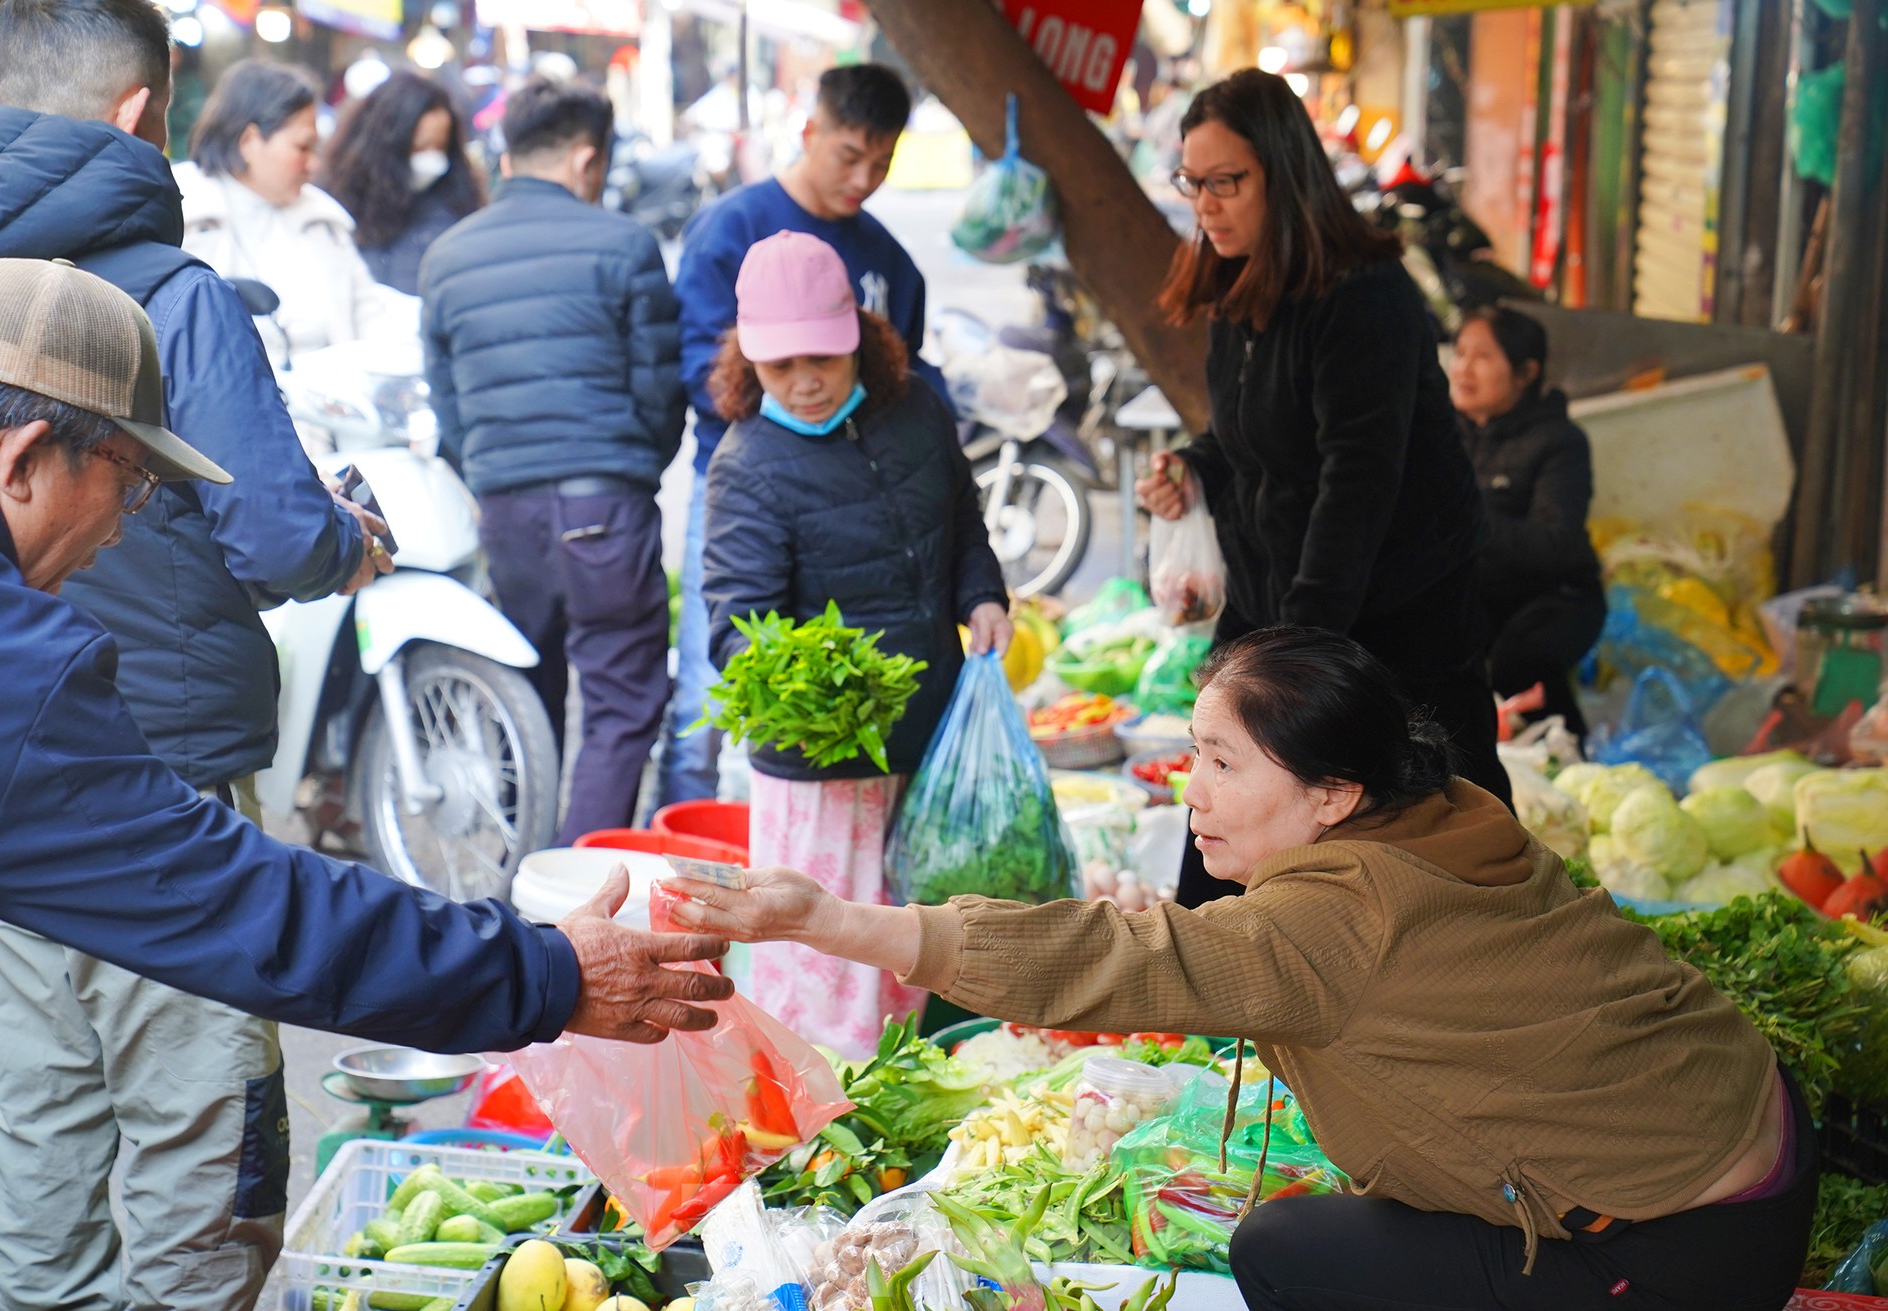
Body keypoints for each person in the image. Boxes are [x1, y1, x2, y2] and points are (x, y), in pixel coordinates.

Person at [0, 258, 734, 1304]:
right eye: (126, 482)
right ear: (27, 457)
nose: (121, 526)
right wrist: (550, 975)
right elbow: (257, 911)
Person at [664, 625, 1816, 1311]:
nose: (1188, 790)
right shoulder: (1443, 808)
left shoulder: (1326, 925)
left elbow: (1115, 959)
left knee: (1285, 1248)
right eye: (1191, 754)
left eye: (1220, 762)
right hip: (1755, 1127)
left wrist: (832, 918)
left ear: (1330, 794)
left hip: (1687, 1250)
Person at [0, 4, 389, 1304]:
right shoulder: (167, 294)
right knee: (202, 1144)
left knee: (39, 1135)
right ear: (143, 111)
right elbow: (278, 528)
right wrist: (350, 543)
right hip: (155, 771)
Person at [1132, 70, 1508, 907]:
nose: (1206, 204)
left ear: (1284, 171)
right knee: (1227, 834)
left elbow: (1357, 480)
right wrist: (1194, 468)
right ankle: (1214, 1007)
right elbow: (1251, 439)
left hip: (1393, 623)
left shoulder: (1364, 300)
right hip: (1283, 609)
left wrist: (1293, 658)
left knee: (1433, 847)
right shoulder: (1237, 285)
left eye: (1226, 182)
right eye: (1193, 183)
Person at [700, 231, 1008, 1057]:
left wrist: (981, 593)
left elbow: (964, 520)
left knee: (927, 947)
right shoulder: (747, 465)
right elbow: (735, 634)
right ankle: (831, 1141)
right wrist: (834, 699)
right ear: (748, 361)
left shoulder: (916, 410)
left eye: (823, 361)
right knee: (833, 981)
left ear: (859, 341)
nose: (803, 383)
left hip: (928, 741)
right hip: (823, 779)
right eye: (779, 365)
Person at [664, 62, 944, 811]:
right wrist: (783, 438)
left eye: (881, 164)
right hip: (747, 500)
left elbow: (905, 374)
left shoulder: (889, 261)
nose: (863, 179)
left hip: (861, 513)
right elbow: (695, 362)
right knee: (711, 683)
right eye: (849, 156)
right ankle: (689, 848)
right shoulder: (732, 227)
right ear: (810, 130)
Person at [421, 77, 684, 842]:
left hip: (506, 511)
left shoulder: (446, 257)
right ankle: (576, 894)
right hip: (604, 504)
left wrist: (491, 475)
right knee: (622, 698)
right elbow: (659, 392)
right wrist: (630, 468)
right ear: (584, 159)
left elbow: (450, 407)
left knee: (526, 691)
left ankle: (514, 866)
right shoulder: (624, 244)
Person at [174, 61, 416, 360]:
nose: (313, 164)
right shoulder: (183, 214)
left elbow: (370, 315)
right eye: (302, 147)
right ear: (249, 141)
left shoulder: (324, 220)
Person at [1451, 306, 1606, 739]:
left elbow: (1555, 543)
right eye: (1460, 352)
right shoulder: (1444, 431)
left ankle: (1569, 758)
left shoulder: (1559, 442)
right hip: (1483, 592)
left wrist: (1463, 519)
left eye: (1482, 357)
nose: (1463, 368)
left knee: (1519, 660)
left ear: (1525, 372)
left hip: (1558, 595)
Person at [322, 68, 486, 295]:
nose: (430, 157)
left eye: (440, 147)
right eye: (420, 147)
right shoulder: (336, 205)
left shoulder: (459, 206)